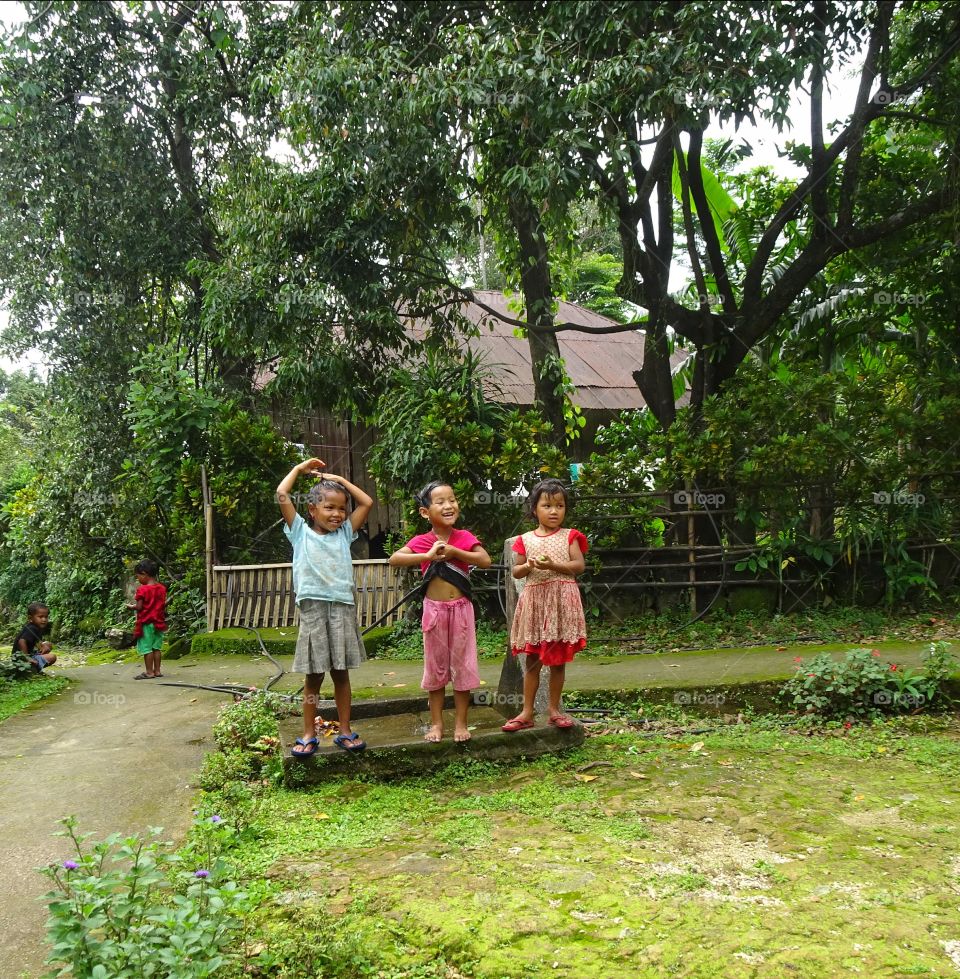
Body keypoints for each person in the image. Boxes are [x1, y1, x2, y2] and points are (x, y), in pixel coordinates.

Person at [277, 458, 373, 757]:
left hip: (342, 607)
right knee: (314, 675)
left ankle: (345, 730)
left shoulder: (345, 533)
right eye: (329, 507)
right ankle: (308, 732)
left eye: (342, 508)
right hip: (313, 609)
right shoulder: (300, 532)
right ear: (312, 510)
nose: (337, 514)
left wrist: (339, 481)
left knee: (341, 672)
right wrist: (297, 470)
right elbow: (282, 494)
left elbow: (367, 502)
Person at [389, 481, 491, 743]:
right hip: (433, 612)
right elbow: (395, 559)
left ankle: (460, 723)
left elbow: (485, 560)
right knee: (435, 669)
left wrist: (456, 552)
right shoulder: (422, 541)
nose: (448, 506)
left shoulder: (464, 537)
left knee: (463, 666)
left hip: (461, 611)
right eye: (440, 501)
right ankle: (436, 724)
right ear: (425, 512)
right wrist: (428, 556)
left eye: (452, 500)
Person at [502, 478, 587, 732]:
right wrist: (529, 565)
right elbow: (516, 571)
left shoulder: (570, 536)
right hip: (535, 602)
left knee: (557, 659)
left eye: (560, 506)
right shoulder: (524, 540)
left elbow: (578, 566)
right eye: (547, 506)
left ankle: (554, 710)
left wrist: (552, 565)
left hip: (561, 601)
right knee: (531, 659)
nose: (554, 511)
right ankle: (526, 712)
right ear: (534, 509)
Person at [128, 559, 167, 679]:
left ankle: (149, 672)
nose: (138, 579)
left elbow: (139, 607)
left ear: (144, 574)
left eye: (138, 576)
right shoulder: (161, 588)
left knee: (147, 648)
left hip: (146, 623)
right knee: (156, 648)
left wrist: (132, 607)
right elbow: (162, 604)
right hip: (159, 623)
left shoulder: (143, 590)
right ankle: (157, 671)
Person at [12, 602, 56, 672]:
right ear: (30, 618)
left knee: (48, 644)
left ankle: (32, 669)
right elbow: (21, 642)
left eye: (46, 617)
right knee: (52, 657)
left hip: (28, 655)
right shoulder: (32, 628)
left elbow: (34, 643)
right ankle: (30, 670)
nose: (44, 620)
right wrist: (27, 658)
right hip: (21, 660)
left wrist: (43, 646)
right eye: (40, 617)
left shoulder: (37, 627)